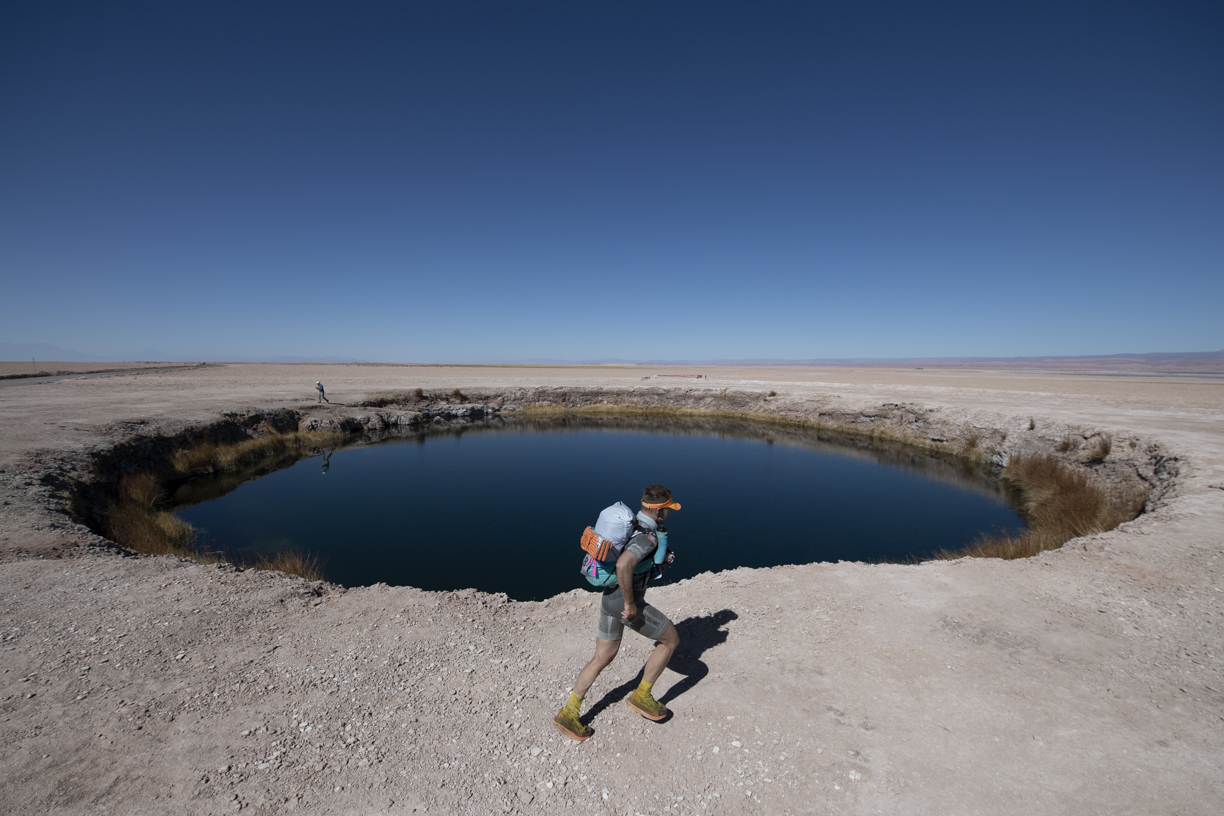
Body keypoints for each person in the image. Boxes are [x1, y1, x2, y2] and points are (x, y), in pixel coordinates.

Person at [553, 484, 682, 741]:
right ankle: (642, 696)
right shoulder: (647, 537)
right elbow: (623, 564)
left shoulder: (633, 524)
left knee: (603, 656)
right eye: (667, 510)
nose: (669, 514)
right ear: (658, 512)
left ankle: (569, 712)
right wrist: (630, 604)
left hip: (608, 599)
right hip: (623, 603)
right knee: (670, 640)